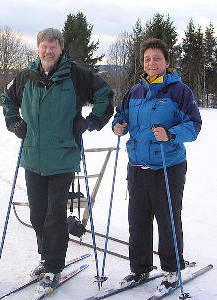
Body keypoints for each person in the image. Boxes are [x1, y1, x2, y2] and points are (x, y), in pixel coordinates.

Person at [1, 28, 114, 291]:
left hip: (63, 155)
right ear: (37, 48)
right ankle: (46, 257)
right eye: (44, 46)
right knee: (38, 214)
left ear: (60, 48)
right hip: (33, 156)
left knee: (54, 215)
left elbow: (105, 96)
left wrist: (90, 122)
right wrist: (14, 121)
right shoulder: (25, 76)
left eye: (53, 46)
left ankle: (54, 265)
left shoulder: (76, 74)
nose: (48, 51)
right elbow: (7, 99)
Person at [112, 38, 202, 296]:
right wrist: (118, 126)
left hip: (168, 166)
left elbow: (194, 126)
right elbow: (122, 116)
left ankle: (172, 270)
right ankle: (140, 268)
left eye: (157, 59)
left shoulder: (179, 91)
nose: (152, 63)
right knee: (137, 220)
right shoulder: (135, 92)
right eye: (147, 59)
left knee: (168, 220)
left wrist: (171, 134)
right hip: (138, 166)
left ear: (167, 62)